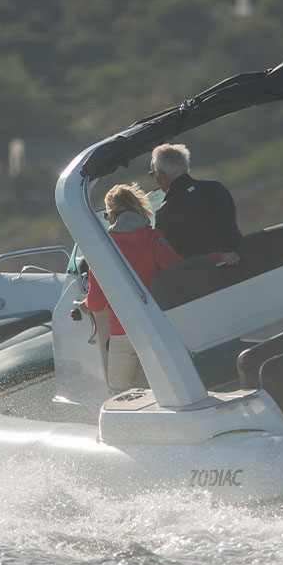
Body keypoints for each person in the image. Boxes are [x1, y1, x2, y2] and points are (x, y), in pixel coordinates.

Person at [79, 183, 182, 393]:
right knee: (166, 385)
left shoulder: (103, 249)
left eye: (107, 215)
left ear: (114, 215)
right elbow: (178, 269)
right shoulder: (154, 236)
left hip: (124, 331)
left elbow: (97, 303)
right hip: (157, 325)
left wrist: (85, 305)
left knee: (119, 391)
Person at [149, 143, 242, 265]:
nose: (154, 179)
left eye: (153, 174)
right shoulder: (216, 188)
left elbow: (171, 257)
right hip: (242, 260)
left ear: (161, 176)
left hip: (206, 273)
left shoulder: (165, 213)